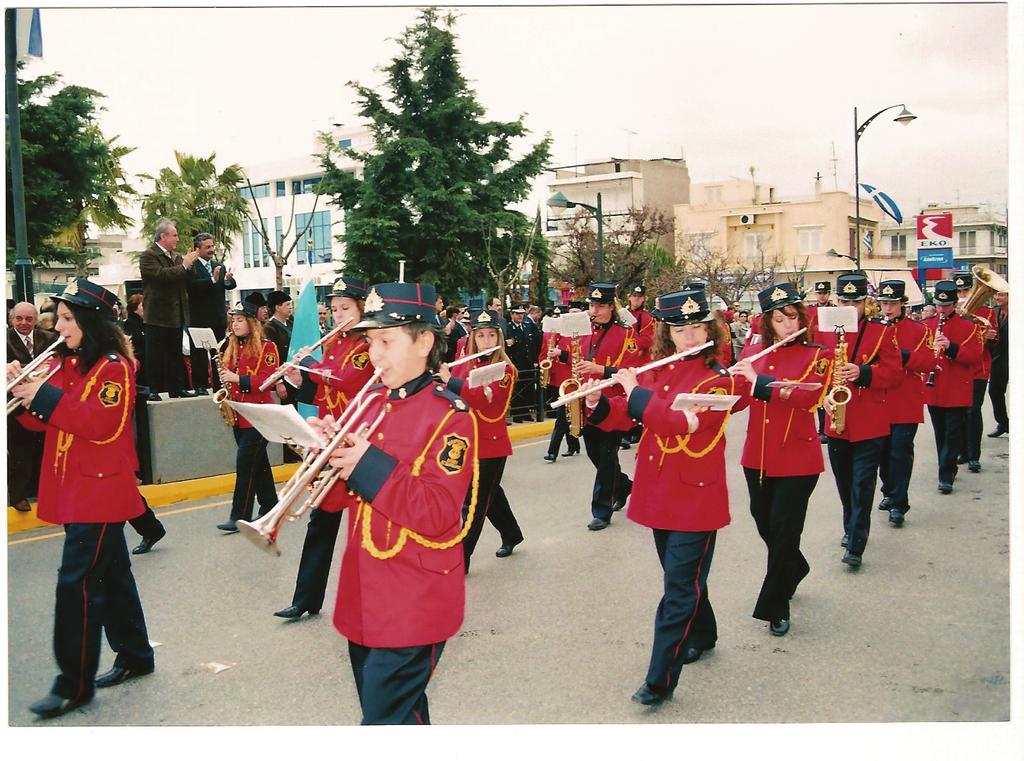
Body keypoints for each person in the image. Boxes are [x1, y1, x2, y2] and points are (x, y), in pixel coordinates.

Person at [313, 281, 477, 724]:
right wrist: (324, 458)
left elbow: (440, 513)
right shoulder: (368, 403)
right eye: (370, 342)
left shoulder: (451, 416)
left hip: (414, 598)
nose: (374, 354)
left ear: (425, 341)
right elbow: (336, 504)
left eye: (387, 340)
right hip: (365, 591)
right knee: (399, 717)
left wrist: (364, 464)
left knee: (382, 723)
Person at [583, 285, 747, 706]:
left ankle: (659, 680)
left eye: (697, 327)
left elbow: (677, 423)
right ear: (667, 334)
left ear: (710, 328)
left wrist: (635, 391)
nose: (689, 337)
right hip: (659, 493)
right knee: (686, 579)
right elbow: (626, 415)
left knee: (678, 589)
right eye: (680, 330)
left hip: (697, 499)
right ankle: (705, 633)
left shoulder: (719, 380)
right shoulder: (659, 370)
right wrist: (599, 403)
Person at [8, 279, 155, 719]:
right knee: (112, 575)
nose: (59, 328)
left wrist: (44, 396)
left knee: (77, 583)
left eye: (68, 320)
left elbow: (102, 425)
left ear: (90, 322)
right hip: (76, 487)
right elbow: (45, 426)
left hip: (99, 492)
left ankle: (73, 684)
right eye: (60, 319)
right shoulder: (71, 364)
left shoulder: (113, 367)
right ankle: (135, 654)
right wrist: (25, 390)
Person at [731, 283, 831, 637]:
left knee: (785, 529)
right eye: (779, 319)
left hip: (798, 459)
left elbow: (808, 395)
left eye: (791, 317)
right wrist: (718, 389)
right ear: (767, 324)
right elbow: (740, 399)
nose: (787, 325)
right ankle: (795, 566)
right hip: (756, 455)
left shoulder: (818, 353)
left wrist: (758, 381)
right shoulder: (755, 351)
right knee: (765, 524)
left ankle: (776, 604)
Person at [274, 276, 373, 619]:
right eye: (333, 309)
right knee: (321, 517)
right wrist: (301, 378)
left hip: (360, 440)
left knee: (368, 526)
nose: (338, 315)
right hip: (330, 438)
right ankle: (305, 599)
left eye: (346, 308)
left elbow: (347, 379)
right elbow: (325, 391)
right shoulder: (335, 343)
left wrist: (311, 365)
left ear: (362, 308)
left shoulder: (367, 344)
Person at [820, 273, 902, 568]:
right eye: (844, 300)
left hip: (869, 422)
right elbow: (816, 372)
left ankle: (856, 543)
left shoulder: (882, 331)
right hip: (837, 421)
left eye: (855, 301)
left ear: (865, 302)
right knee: (844, 484)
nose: (848, 306)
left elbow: (894, 374)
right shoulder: (824, 331)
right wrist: (824, 394)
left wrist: (863, 373)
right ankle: (849, 526)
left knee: (863, 485)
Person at [549, 283, 640, 531]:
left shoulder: (626, 334)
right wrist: (564, 355)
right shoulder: (584, 331)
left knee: (608, 456)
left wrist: (601, 370)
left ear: (611, 307)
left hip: (613, 404)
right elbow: (578, 359)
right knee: (595, 455)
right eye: (592, 305)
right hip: (585, 401)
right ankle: (624, 486)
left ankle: (602, 510)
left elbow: (633, 371)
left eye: (600, 306)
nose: (594, 310)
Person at [439, 309, 524, 571]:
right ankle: (511, 533)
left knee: (474, 502)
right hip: (464, 442)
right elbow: (450, 395)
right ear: (472, 339)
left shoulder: (505, 369)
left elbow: (484, 401)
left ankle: (460, 558)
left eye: (491, 335)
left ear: (498, 338)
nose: (486, 341)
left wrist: (449, 381)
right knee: (490, 494)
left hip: (490, 444)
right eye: (481, 336)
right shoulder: (465, 364)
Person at [215, 300, 280, 532]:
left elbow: (268, 380)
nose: (235, 324)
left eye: (240, 320)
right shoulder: (231, 347)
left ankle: (239, 515)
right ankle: (271, 505)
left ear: (252, 322)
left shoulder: (267, 347)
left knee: (245, 464)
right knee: (258, 463)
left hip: (260, 416)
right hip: (238, 414)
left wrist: (237, 380)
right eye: (233, 320)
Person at [875, 280, 934, 526]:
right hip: (877, 401)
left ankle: (899, 503)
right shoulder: (872, 328)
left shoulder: (919, 330)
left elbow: (929, 363)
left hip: (905, 401)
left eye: (892, 303)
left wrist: (902, 356)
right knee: (882, 454)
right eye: (884, 303)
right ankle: (889, 490)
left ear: (902, 304)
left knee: (900, 452)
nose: (888, 309)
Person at [923, 280, 983, 495]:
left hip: (957, 388)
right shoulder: (927, 325)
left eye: (946, 306)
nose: (941, 310)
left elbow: (975, 357)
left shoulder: (969, 327)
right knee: (940, 432)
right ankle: (947, 465)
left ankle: (945, 474)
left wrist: (951, 347)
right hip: (934, 387)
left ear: (955, 304)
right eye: (938, 305)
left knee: (952, 433)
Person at [138, 218, 200, 399]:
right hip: (157, 314)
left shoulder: (177, 256)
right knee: (155, 355)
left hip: (176, 313)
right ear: (163, 236)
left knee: (175, 354)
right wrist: (184, 266)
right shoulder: (148, 256)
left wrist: (190, 266)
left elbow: (187, 280)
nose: (177, 239)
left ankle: (177, 388)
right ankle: (154, 390)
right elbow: (161, 276)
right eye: (174, 235)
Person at [7, 301, 59, 511]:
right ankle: (18, 495)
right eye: (19, 319)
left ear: (36, 320)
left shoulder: (49, 339)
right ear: (11, 321)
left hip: (43, 402)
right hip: (16, 405)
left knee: (44, 449)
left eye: (29, 319)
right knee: (19, 451)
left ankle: (42, 491)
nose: (24, 323)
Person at [952, 271, 995, 472]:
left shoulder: (987, 313)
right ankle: (961, 450)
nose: (962, 294)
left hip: (978, 369)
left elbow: (995, 342)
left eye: (966, 290)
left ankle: (974, 455)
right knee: (959, 412)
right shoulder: (952, 314)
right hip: (958, 369)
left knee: (973, 411)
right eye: (959, 290)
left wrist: (990, 336)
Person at [186, 232, 236, 393]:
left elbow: (228, 286)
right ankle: (200, 386)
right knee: (199, 355)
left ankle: (219, 384)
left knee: (219, 354)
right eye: (207, 247)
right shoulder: (191, 267)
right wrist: (212, 280)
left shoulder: (217, 265)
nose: (211, 250)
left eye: (212, 246)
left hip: (218, 318)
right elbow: (192, 287)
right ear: (197, 249)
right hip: (199, 318)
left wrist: (228, 279)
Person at [541, 305, 581, 461]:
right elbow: (544, 352)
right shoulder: (560, 334)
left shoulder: (583, 335)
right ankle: (574, 445)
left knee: (562, 417)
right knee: (566, 414)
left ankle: (553, 451)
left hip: (574, 380)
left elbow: (582, 357)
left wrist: (562, 354)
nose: (572, 316)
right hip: (559, 381)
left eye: (576, 313)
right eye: (570, 313)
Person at [506, 305, 537, 422]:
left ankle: (526, 412)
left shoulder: (527, 326)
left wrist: (534, 361)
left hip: (527, 362)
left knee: (527, 388)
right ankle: (517, 413)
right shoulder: (509, 328)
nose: (520, 316)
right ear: (512, 314)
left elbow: (532, 345)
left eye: (522, 314)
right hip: (516, 363)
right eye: (517, 314)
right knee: (517, 388)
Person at [987, 290, 1008, 437]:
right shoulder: (994, 312)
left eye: (1001, 295)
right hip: (998, 359)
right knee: (994, 392)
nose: (997, 297)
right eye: (996, 294)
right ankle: (1004, 423)